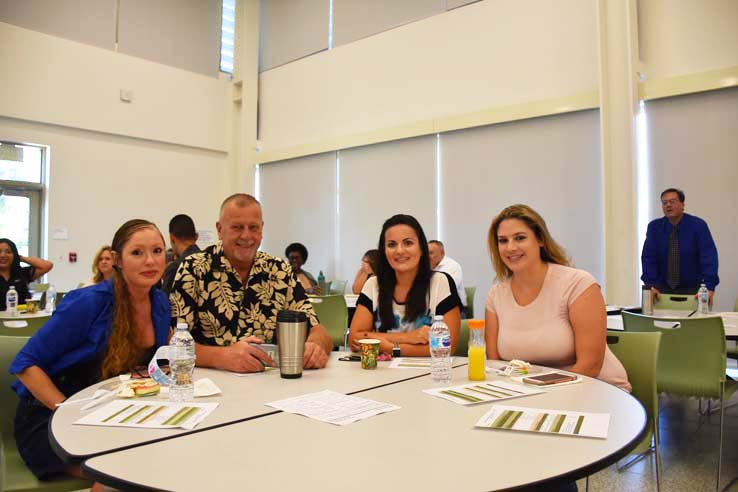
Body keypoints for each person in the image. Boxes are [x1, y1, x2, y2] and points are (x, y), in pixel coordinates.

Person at [9, 219, 169, 486]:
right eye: (137, 253)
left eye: (157, 251)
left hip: (112, 414)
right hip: (52, 419)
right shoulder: (89, 302)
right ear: (118, 260)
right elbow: (25, 364)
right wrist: (68, 413)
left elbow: (156, 361)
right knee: (123, 475)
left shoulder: (160, 302)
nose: (150, 261)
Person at [169, 193, 332, 373]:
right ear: (220, 229)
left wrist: (314, 346)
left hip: (271, 384)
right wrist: (222, 357)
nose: (246, 236)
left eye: (253, 227)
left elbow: (318, 330)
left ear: (262, 229)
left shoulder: (279, 271)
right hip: (212, 385)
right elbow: (173, 341)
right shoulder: (194, 269)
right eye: (237, 227)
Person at [485, 204, 630, 391]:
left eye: (520, 238)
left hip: (596, 389)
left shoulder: (578, 284)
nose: (510, 247)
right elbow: (496, 364)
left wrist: (542, 394)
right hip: (530, 393)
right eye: (503, 241)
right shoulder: (495, 295)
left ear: (540, 240)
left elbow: (590, 366)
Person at [349, 214, 462, 356]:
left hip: (429, 374)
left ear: (421, 249)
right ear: (384, 252)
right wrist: (409, 337)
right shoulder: (373, 284)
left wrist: (390, 348)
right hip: (380, 374)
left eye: (408, 243)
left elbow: (446, 347)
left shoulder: (440, 282)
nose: (400, 251)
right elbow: (354, 339)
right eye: (391, 244)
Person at [641, 188, 719, 304]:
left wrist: (709, 287)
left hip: (694, 290)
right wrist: (651, 285)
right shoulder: (654, 227)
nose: (668, 205)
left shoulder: (698, 226)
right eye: (664, 202)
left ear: (682, 204)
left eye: (672, 201)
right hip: (661, 290)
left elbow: (708, 257)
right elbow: (648, 258)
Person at [0, 238, 53, 310]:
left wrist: (20, 258)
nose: (3, 255)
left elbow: (47, 265)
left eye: (8, 252)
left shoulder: (22, 273)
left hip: (22, 317)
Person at [161, 214, 200, 293]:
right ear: (196, 237)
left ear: (172, 238)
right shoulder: (210, 261)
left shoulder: (175, 268)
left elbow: (164, 302)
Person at [428, 240, 466, 313]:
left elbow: (447, 290)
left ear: (442, 253)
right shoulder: (426, 267)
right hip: (432, 309)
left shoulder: (453, 266)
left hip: (454, 309)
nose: (427, 256)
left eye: (431, 253)